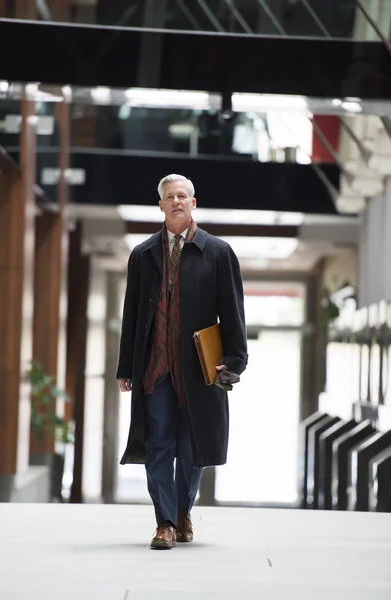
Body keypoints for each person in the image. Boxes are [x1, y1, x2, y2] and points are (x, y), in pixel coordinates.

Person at [116, 174, 248, 549]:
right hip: (155, 369)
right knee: (159, 443)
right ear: (160, 205)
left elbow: (233, 312)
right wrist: (126, 367)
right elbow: (131, 316)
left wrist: (235, 361)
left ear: (194, 203)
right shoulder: (143, 254)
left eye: (182, 196)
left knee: (192, 449)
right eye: (169, 196)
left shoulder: (218, 252)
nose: (176, 201)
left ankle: (184, 510)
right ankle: (166, 523)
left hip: (198, 371)